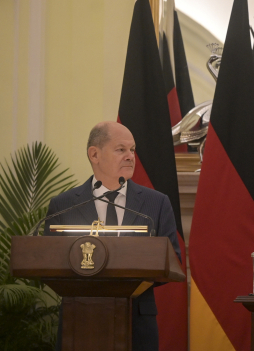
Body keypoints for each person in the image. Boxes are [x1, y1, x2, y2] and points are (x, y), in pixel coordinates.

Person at [44, 121, 181, 351]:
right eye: (121, 149)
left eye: (132, 150)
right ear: (94, 154)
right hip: (79, 321)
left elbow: (173, 259)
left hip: (138, 323)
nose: (130, 156)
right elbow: (49, 261)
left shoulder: (156, 203)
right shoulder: (64, 205)